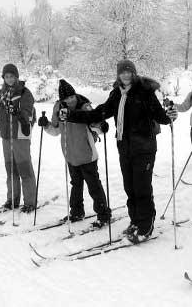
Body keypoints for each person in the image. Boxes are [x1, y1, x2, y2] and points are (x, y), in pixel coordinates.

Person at [64, 60, 177, 243]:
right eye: (122, 72)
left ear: (133, 73)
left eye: (128, 72)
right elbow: (100, 113)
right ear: (118, 75)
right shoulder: (117, 93)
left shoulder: (144, 92)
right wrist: (72, 115)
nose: (125, 75)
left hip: (144, 147)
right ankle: (135, 220)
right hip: (124, 146)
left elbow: (160, 116)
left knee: (142, 187)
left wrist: (170, 115)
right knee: (130, 187)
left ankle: (145, 226)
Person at [37, 79, 111, 227]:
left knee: (94, 186)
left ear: (75, 95)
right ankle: (77, 212)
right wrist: (46, 125)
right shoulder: (59, 108)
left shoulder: (84, 107)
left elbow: (96, 125)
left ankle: (103, 214)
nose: (70, 100)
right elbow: (56, 130)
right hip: (70, 155)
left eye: (72, 97)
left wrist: (102, 126)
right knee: (75, 185)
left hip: (87, 155)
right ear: (62, 99)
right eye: (67, 98)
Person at [0, 64, 37, 213]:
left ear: (16, 77)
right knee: (11, 170)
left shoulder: (24, 93)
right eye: (7, 76)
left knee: (24, 169)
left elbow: (27, 114)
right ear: (4, 78)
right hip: (6, 136)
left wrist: (16, 111)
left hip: (20, 136)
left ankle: (30, 202)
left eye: (12, 76)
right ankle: (12, 200)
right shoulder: (3, 93)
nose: (9, 79)